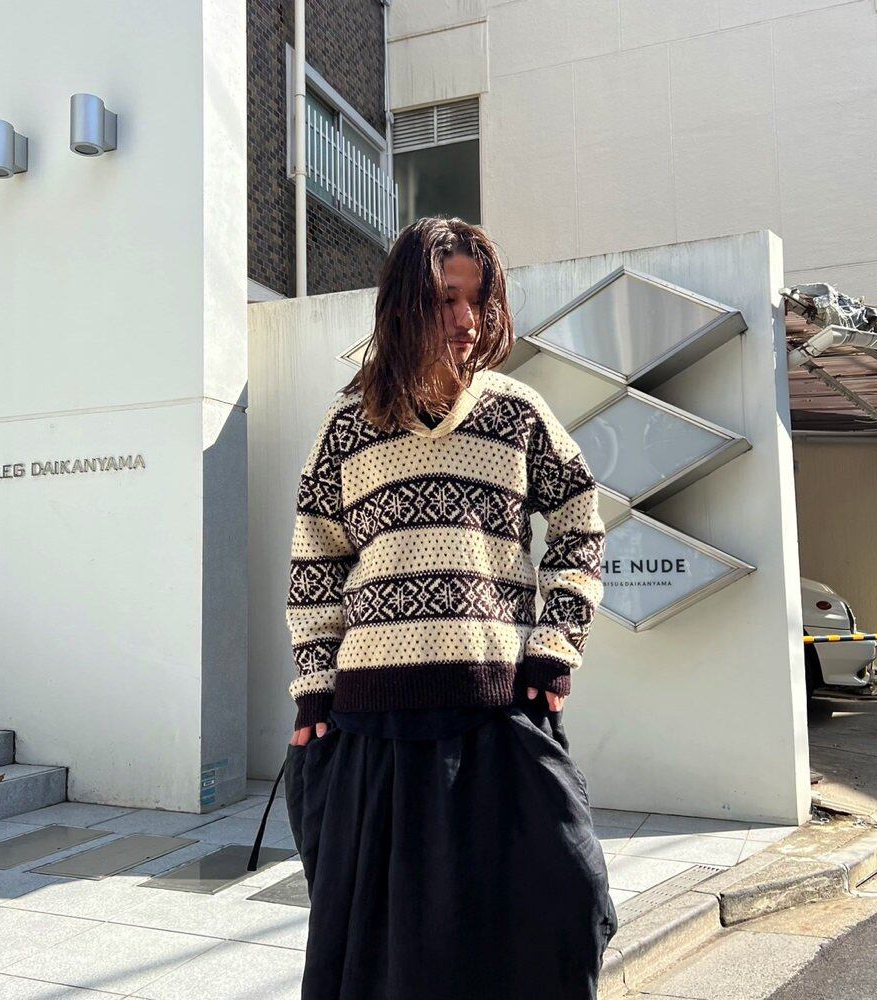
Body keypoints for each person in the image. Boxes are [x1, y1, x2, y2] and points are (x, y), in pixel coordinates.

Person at [282, 216, 618, 1000]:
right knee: (390, 956)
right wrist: (314, 687)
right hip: (373, 729)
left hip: (496, 715)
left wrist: (556, 644)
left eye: (477, 300)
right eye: (444, 300)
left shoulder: (518, 412)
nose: (467, 319)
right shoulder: (348, 425)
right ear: (403, 305)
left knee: (564, 904)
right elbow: (315, 563)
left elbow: (580, 520)